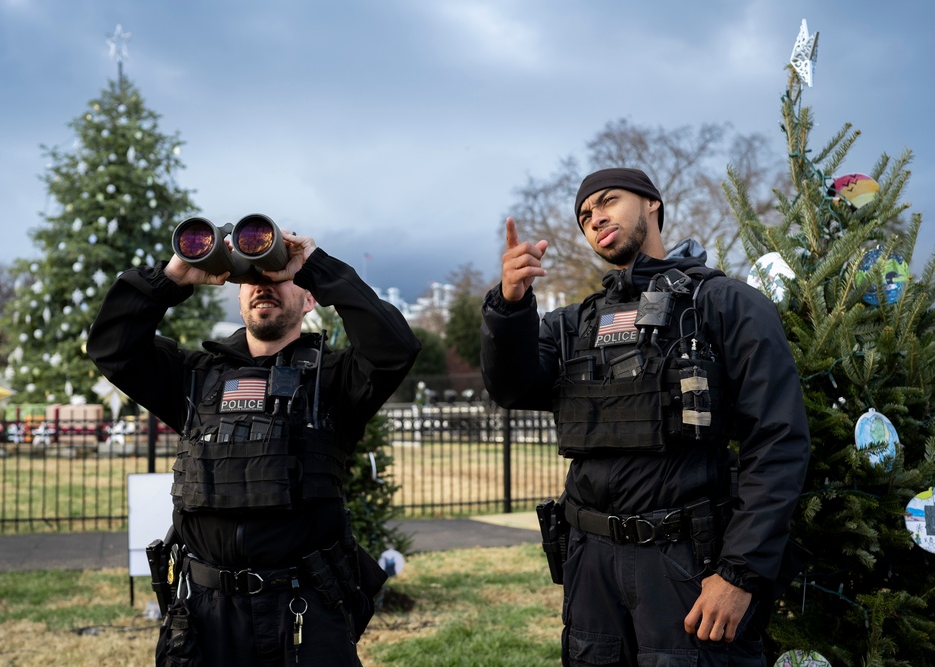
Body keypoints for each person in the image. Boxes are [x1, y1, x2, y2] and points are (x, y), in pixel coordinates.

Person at [480, 168, 810, 666]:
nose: (596, 218)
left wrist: (739, 574)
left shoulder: (724, 304)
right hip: (591, 567)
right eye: (585, 215)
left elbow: (779, 441)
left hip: (686, 565)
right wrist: (510, 307)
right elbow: (512, 386)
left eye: (608, 201)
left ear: (652, 204)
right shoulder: (573, 325)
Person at [87, 226, 420, 666]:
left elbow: (395, 349)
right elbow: (112, 348)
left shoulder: (336, 380)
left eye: (278, 274)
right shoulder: (195, 377)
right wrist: (170, 279)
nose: (264, 284)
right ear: (239, 296)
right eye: (251, 278)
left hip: (305, 610)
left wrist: (316, 265)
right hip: (205, 616)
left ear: (308, 297)